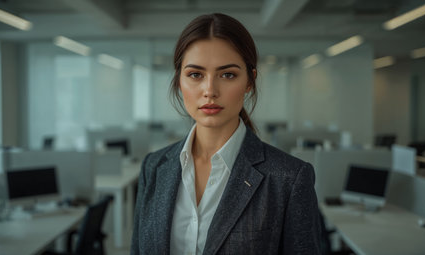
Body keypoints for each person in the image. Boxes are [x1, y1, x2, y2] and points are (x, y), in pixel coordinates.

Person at [131, 13, 321, 255]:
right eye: (195, 75)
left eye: (228, 74)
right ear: (179, 80)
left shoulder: (289, 179)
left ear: (249, 82)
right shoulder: (154, 167)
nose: (210, 90)